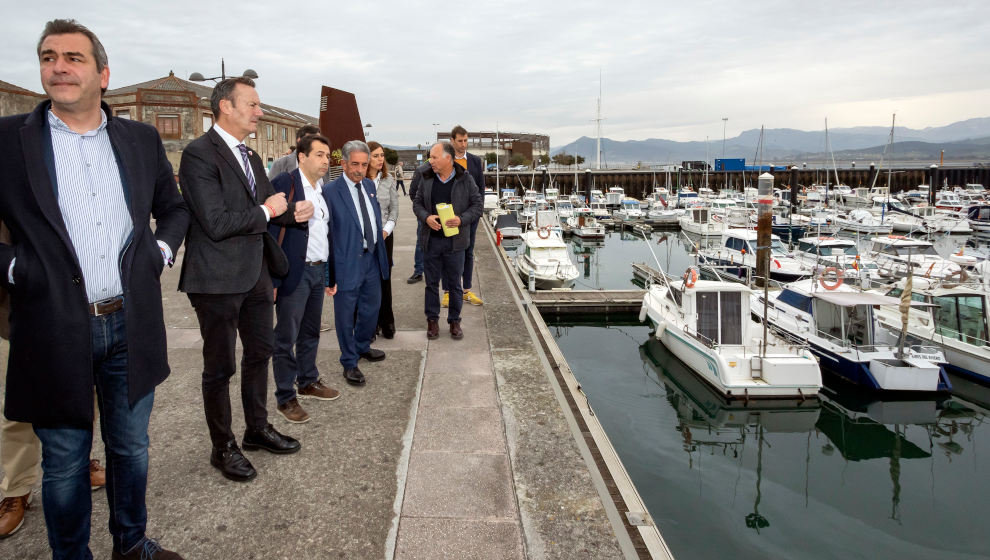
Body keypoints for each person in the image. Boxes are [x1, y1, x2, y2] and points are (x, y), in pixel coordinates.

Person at [0, 19, 189, 559]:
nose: (59, 66)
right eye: (48, 56)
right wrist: (18, 270)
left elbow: (172, 209)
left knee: (131, 449)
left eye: (74, 58)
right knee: (64, 461)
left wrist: (158, 253)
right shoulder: (10, 142)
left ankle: (131, 545)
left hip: (131, 322)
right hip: (52, 325)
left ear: (103, 74)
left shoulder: (140, 139)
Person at [179, 76, 311, 483]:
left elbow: (270, 205)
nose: (259, 112)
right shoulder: (198, 154)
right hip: (216, 278)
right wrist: (272, 212)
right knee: (220, 367)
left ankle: (256, 429)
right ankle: (223, 447)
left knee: (261, 352)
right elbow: (216, 223)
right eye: (252, 105)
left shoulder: (251, 157)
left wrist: (293, 212)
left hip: (255, 272)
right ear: (225, 107)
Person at [269, 134, 340, 424]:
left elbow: (326, 234)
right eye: (320, 155)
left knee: (310, 332)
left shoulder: (322, 189)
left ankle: (307, 380)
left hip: (316, 271)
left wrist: (329, 274)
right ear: (302, 156)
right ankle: (285, 397)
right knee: (286, 336)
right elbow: (271, 228)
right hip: (293, 273)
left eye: (327, 156)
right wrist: (272, 280)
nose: (325, 161)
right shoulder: (286, 184)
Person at [322, 140, 390, 386]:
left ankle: (362, 346)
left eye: (364, 164)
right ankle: (349, 362)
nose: (360, 170)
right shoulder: (330, 192)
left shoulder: (370, 186)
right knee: (344, 314)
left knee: (372, 309)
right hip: (346, 262)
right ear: (343, 164)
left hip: (371, 258)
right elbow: (326, 234)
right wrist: (329, 275)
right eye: (355, 164)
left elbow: (373, 219)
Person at [412, 142, 484, 340]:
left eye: (434, 157)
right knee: (431, 284)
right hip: (431, 241)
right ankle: (432, 321)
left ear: (448, 159)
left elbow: (477, 206)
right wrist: (426, 217)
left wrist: (461, 220)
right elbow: (416, 203)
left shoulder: (465, 179)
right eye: (430, 158)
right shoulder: (426, 177)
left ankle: (454, 321)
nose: (431, 161)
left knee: (454, 285)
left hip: (456, 243)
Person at [445, 125, 486, 308]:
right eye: (460, 141)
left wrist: (476, 214)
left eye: (466, 140)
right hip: (450, 217)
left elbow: (481, 190)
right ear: (452, 141)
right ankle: (447, 292)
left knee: (469, 252)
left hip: (470, 217)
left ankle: (466, 291)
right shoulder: (446, 160)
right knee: (449, 252)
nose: (463, 144)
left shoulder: (475, 161)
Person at [367, 141, 399, 339]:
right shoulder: (360, 180)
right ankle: (369, 324)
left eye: (382, 155)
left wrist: (386, 230)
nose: (380, 159)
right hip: (364, 238)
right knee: (367, 280)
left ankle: (387, 320)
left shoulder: (388, 180)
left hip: (385, 236)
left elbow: (394, 209)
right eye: (376, 155)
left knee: (384, 278)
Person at [406, 155, 432, 284]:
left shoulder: (449, 169)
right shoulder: (422, 170)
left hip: (444, 214)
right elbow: (412, 193)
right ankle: (418, 271)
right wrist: (423, 212)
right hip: (425, 215)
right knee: (421, 242)